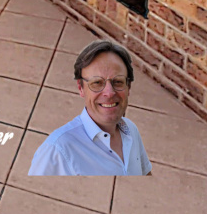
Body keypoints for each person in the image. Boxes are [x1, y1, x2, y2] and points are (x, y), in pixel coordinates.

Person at [29, 39, 152, 176]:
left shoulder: (131, 130)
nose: (109, 93)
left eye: (118, 82)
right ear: (81, 88)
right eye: (97, 83)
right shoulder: (57, 151)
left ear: (128, 87)